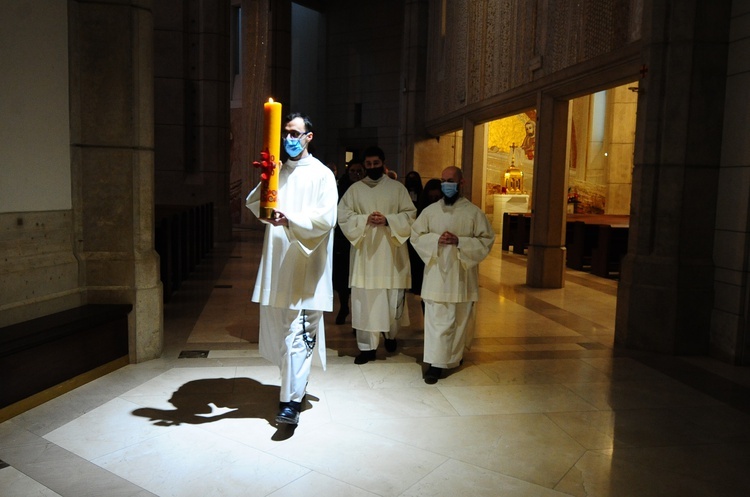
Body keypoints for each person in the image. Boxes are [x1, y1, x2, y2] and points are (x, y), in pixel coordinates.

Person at [245, 112, 337, 424]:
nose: (289, 139)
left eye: (295, 134)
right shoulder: (279, 171)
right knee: (284, 332)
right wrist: (265, 180)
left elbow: (326, 219)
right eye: (286, 133)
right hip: (278, 261)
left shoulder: (323, 174)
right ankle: (293, 386)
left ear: (309, 137)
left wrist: (291, 221)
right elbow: (259, 206)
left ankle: (290, 404)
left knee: (299, 332)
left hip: (307, 264)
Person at [410, 166, 495, 384]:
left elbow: (486, 240)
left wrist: (461, 242)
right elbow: (416, 235)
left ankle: (452, 359)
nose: (446, 185)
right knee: (437, 322)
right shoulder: (430, 211)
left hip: (461, 278)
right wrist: (435, 240)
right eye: (443, 180)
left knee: (458, 321)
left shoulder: (474, 213)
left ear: (462, 183)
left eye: (451, 180)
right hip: (437, 277)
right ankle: (435, 365)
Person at [338, 146, 416, 364]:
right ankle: (367, 348)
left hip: (391, 254)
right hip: (366, 256)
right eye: (368, 164)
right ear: (364, 165)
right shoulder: (355, 190)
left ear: (383, 162)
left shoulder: (397, 188)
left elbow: (410, 215)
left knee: (392, 299)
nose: (372, 167)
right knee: (366, 302)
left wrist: (389, 220)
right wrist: (364, 219)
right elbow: (343, 215)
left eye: (376, 163)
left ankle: (391, 335)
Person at [332, 160, 364, 324]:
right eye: (353, 171)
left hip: (362, 238)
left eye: (359, 171)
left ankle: (358, 317)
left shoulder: (367, 189)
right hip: (342, 239)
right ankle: (344, 307)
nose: (356, 174)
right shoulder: (340, 188)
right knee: (342, 278)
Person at [410, 177, 443, 310]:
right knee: (425, 290)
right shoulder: (424, 210)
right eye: (432, 197)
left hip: (442, 255)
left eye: (437, 197)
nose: (434, 200)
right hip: (424, 255)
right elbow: (417, 235)